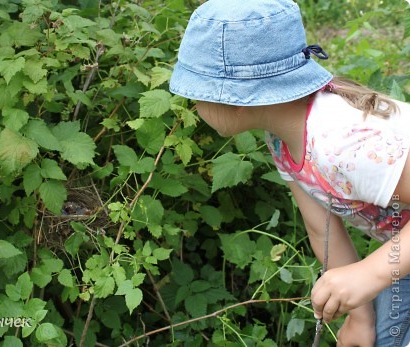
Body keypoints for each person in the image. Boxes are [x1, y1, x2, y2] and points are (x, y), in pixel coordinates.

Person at [168, 0, 410, 346]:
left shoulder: (344, 145)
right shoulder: (285, 140)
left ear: (236, 99)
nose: (193, 103)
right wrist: (360, 317)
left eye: (196, 94)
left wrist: (369, 274)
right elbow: (320, 228)